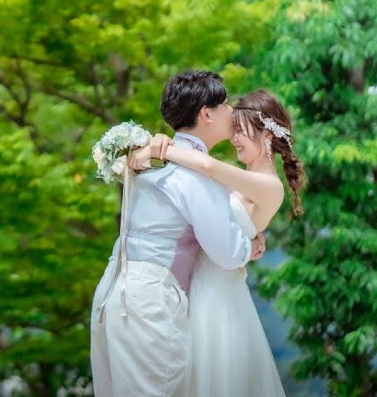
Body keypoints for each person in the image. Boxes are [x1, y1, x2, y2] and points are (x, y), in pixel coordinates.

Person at [90, 70, 260, 397]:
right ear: (206, 114)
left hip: (113, 291)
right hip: (150, 302)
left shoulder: (152, 166)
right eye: (225, 104)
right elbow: (227, 253)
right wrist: (250, 246)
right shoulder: (195, 176)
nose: (231, 112)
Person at [133, 88, 306, 396]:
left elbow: (208, 167)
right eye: (233, 129)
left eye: (241, 131)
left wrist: (160, 148)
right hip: (195, 287)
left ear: (267, 135)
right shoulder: (238, 178)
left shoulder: (270, 186)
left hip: (220, 293)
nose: (234, 138)